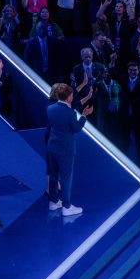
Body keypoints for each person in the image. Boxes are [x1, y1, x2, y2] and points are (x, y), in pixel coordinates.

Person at [46, 83, 93, 216]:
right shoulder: (70, 112)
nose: (73, 96)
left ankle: (53, 202)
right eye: (72, 94)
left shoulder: (50, 108)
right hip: (65, 150)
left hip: (52, 148)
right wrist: (84, 116)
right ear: (68, 97)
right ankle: (67, 207)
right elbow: (76, 129)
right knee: (66, 178)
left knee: (54, 176)